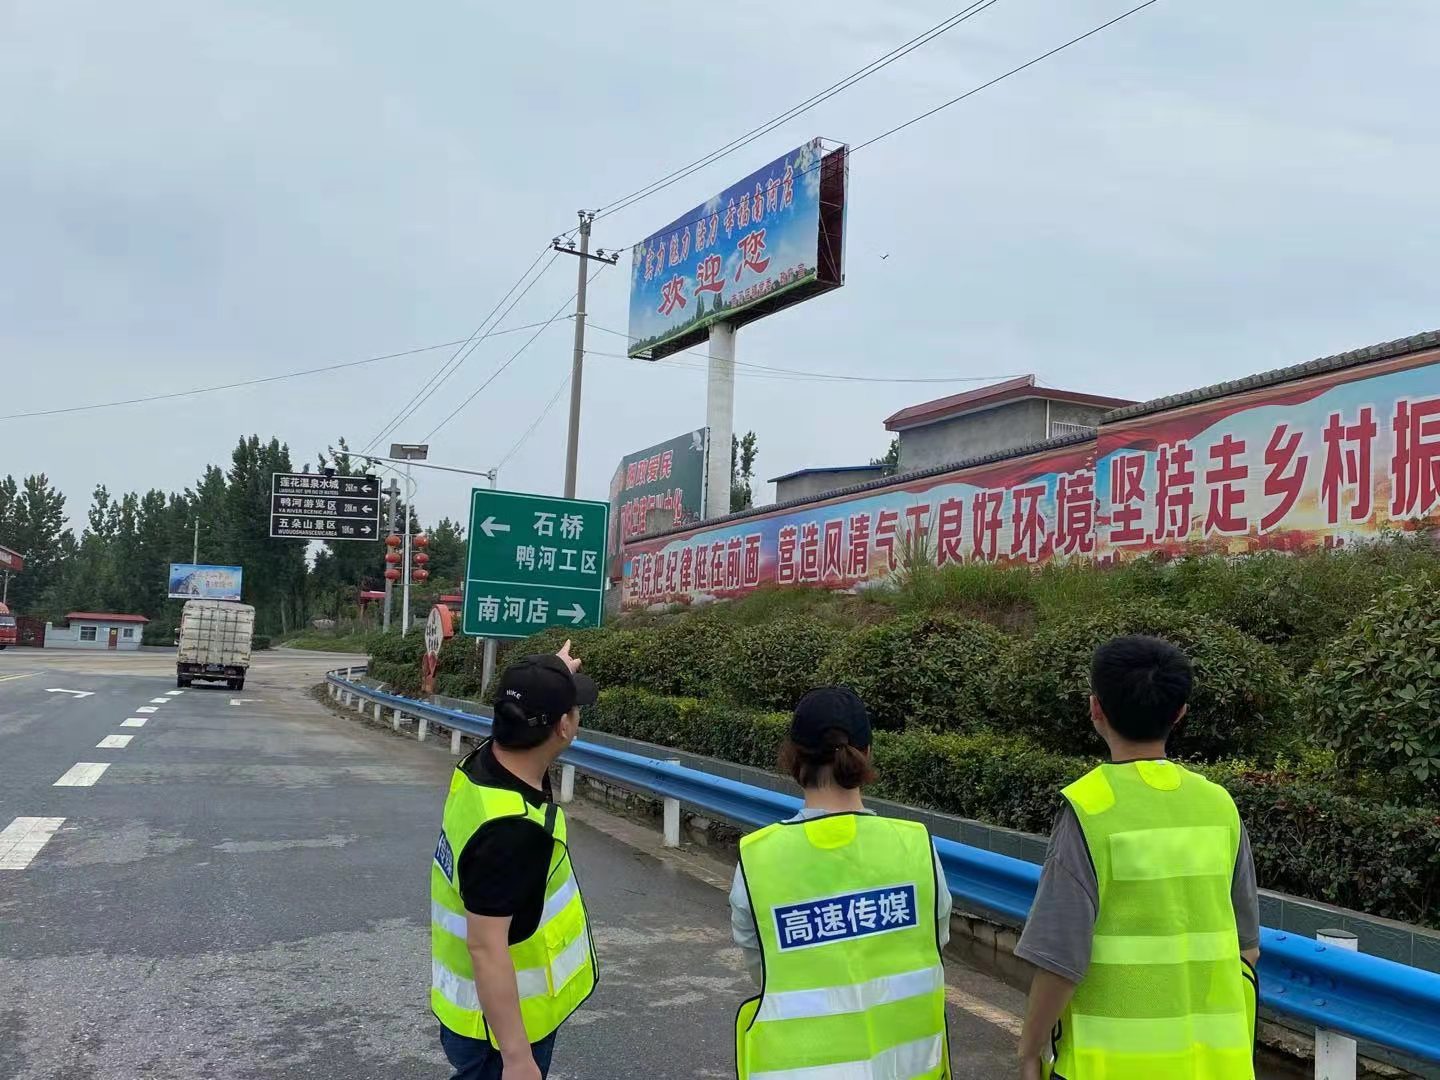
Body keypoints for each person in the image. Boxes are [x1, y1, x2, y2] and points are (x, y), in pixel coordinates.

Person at [1015, 635, 1260, 1080]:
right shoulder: (1218, 804)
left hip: (1110, 1067)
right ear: (1179, 713)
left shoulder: (1089, 808)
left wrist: (1030, 1049)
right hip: (1214, 1066)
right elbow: (1247, 949)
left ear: (1096, 708)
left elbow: (1060, 960)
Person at [730, 686, 954, 1079]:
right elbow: (933, 946)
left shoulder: (758, 858)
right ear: (866, 753)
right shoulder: (916, 847)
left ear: (793, 757)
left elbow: (766, 974)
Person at [430, 642, 600, 1080]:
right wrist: (517, 1058)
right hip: (499, 1028)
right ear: (563, 726)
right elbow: (486, 946)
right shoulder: (510, 832)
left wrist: (549, 674)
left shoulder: (484, 764)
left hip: (479, 1012)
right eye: (574, 709)